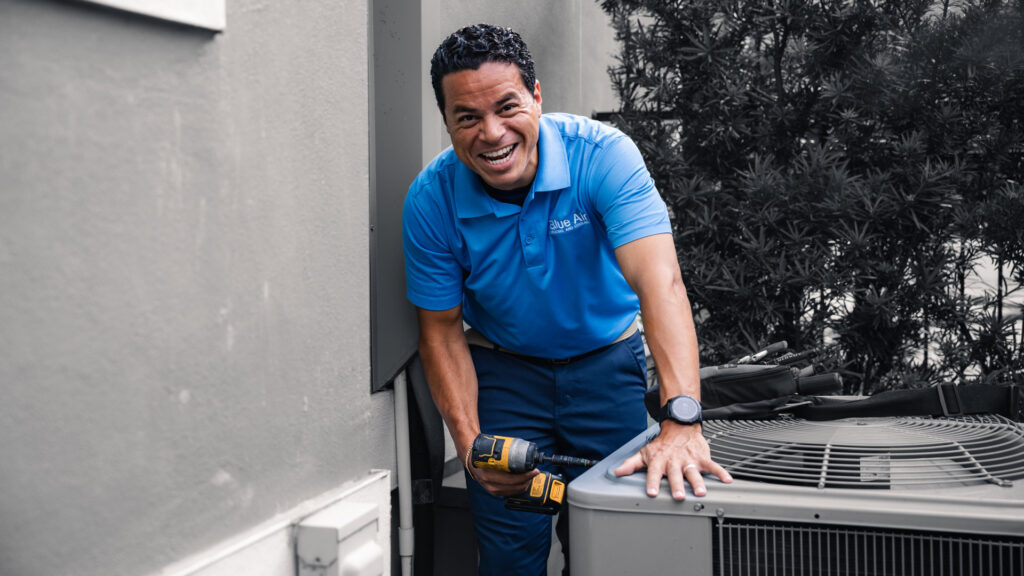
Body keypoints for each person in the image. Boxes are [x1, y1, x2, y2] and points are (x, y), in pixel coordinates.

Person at [402, 23, 732, 575]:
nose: (491, 132)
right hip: (505, 377)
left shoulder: (602, 156)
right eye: (467, 117)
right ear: (447, 121)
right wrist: (471, 445)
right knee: (510, 552)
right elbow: (439, 329)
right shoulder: (431, 200)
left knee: (616, 538)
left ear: (536, 96)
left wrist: (680, 422)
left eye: (507, 106)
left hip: (608, 369)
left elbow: (661, 287)